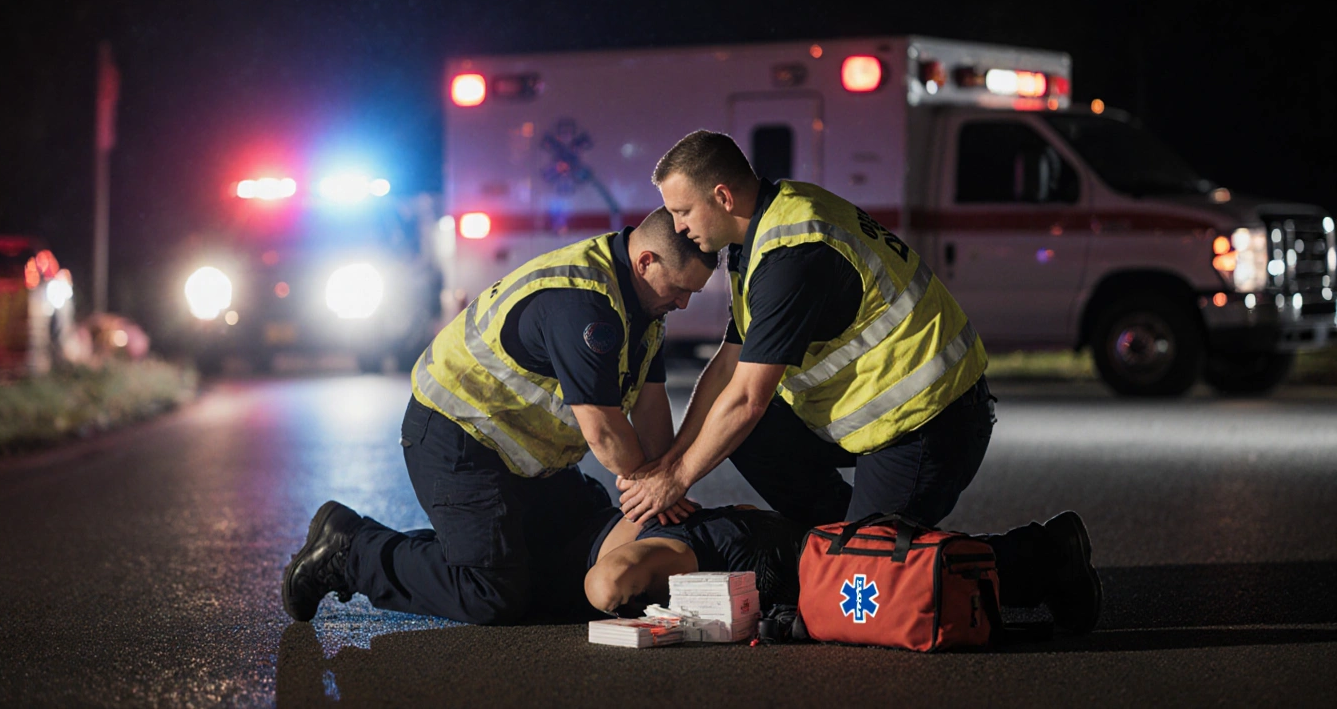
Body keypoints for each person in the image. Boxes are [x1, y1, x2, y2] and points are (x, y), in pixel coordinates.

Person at [618, 131, 1099, 630]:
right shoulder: (760, 232)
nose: (676, 227)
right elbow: (726, 367)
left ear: (722, 196)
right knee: (761, 453)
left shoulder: (792, 255)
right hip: (869, 417)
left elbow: (746, 398)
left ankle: (1044, 558)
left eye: (682, 212)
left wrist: (676, 480)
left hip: (929, 420)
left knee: (863, 582)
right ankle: (839, 547)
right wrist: (672, 460)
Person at [282, 207, 717, 625]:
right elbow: (604, 432)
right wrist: (654, 484)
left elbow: (651, 403)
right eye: (680, 289)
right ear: (646, 261)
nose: (683, 303)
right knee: (492, 592)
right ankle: (351, 551)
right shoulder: (586, 303)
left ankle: (478, 551)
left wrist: (666, 481)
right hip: (457, 437)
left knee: (581, 547)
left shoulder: (645, 308)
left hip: (523, 457)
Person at [580, 506, 1102, 635]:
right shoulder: (677, 531)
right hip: (787, 553)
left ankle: (1047, 552)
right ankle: (1042, 556)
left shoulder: (664, 544)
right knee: (898, 568)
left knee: (899, 584)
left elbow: (609, 584)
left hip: (785, 562)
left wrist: (600, 592)